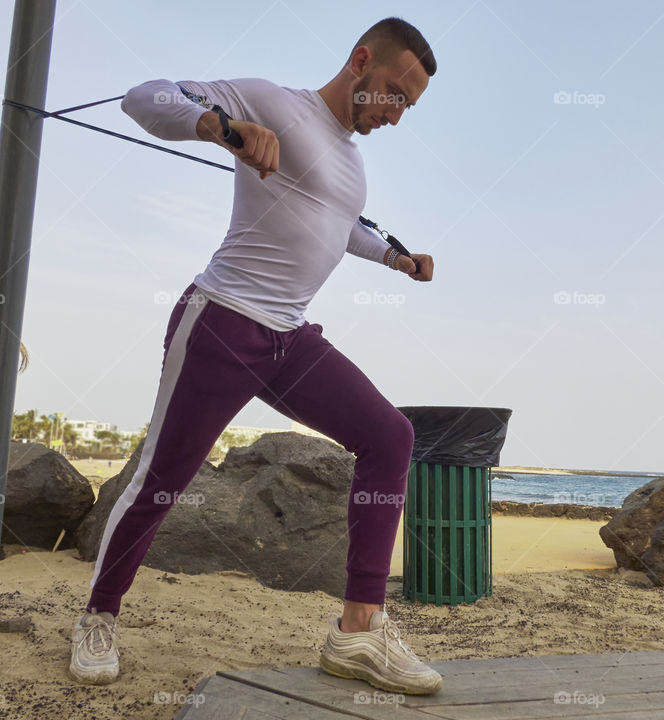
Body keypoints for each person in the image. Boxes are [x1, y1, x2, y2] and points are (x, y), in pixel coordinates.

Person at [68, 17, 440, 696]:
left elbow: (340, 222)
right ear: (362, 61)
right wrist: (223, 128)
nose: (396, 113)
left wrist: (397, 257)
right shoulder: (274, 102)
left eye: (408, 106)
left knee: (390, 436)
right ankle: (98, 615)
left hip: (289, 339)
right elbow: (145, 96)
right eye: (394, 92)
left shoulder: (353, 166)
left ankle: (359, 630)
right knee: (162, 479)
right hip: (221, 323)